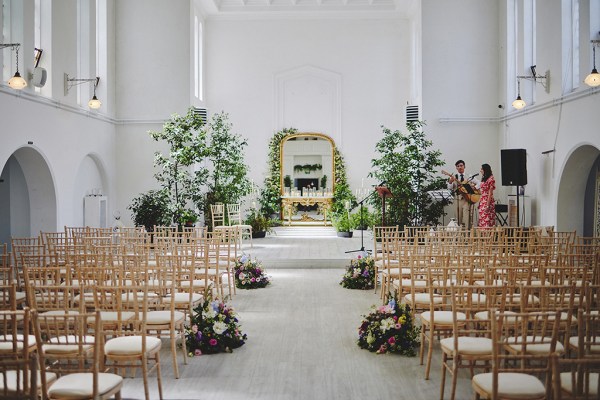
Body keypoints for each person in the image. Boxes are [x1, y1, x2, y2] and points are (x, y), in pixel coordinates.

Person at [446, 160, 479, 228]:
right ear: (456, 168)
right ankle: (459, 235)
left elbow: (479, 183)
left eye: (461, 165)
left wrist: (474, 188)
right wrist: (450, 182)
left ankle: (467, 234)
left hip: (467, 200)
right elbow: (449, 188)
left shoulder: (469, 176)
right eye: (458, 166)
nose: (460, 167)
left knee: (467, 218)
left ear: (464, 166)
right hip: (457, 200)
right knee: (458, 218)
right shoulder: (453, 177)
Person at [477, 163, 496, 228]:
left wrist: (487, 206)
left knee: (487, 221)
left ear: (485, 169)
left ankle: (489, 237)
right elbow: (482, 191)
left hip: (488, 201)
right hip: (482, 201)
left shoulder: (491, 179)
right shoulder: (484, 178)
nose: (480, 170)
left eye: (481, 169)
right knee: (482, 220)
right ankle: (483, 237)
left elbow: (490, 193)